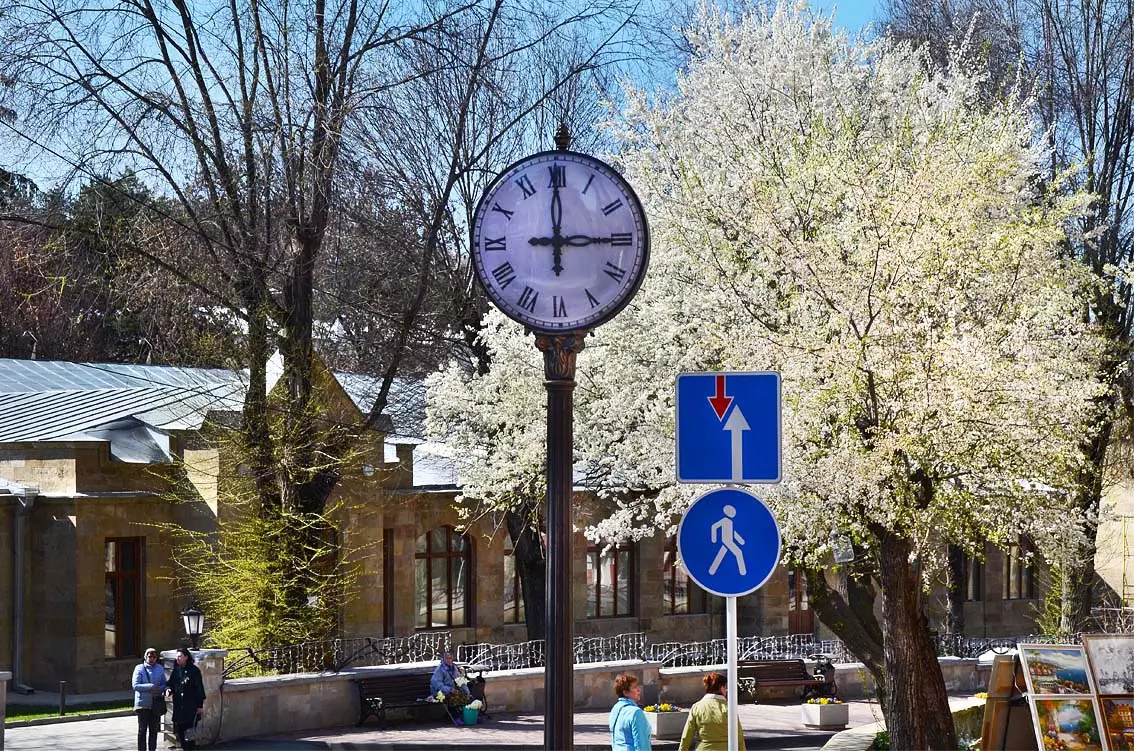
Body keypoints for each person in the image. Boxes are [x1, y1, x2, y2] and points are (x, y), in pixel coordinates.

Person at [679, 672, 746, 751]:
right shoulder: (729, 708)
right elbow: (739, 736)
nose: (726, 690)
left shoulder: (697, 707)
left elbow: (687, 734)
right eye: (725, 687)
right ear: (721, 688)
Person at [167, 647, 206, 750]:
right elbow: (170, 684)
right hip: (179, 707)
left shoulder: (194, 671)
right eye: (177, 657)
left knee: (189, 734)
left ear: (186, 657)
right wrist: (168, 690)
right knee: (180, 733)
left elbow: (199, 689)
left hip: (191, 707)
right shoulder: (176, 670)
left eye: (180, 656)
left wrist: (200, 706)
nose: (177, 659)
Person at [131, 647, 168, 751]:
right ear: (145, 657)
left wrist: (160, 689)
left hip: (155, 704)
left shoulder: (160, 668)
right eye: (149, 656)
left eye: (154, 657)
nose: (152, 659)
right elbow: (135, 685)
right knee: (142, 730)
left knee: (154, 730)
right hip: (143, 704)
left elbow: (164, 683)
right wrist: (150, 687)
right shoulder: (139, 668)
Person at [609, 673, 652, 751]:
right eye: (634, 687)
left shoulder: (615, 709)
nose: (638, 690)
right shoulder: (636, 712)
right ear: (625, 692)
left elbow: (614, 739)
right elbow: (641, 744)